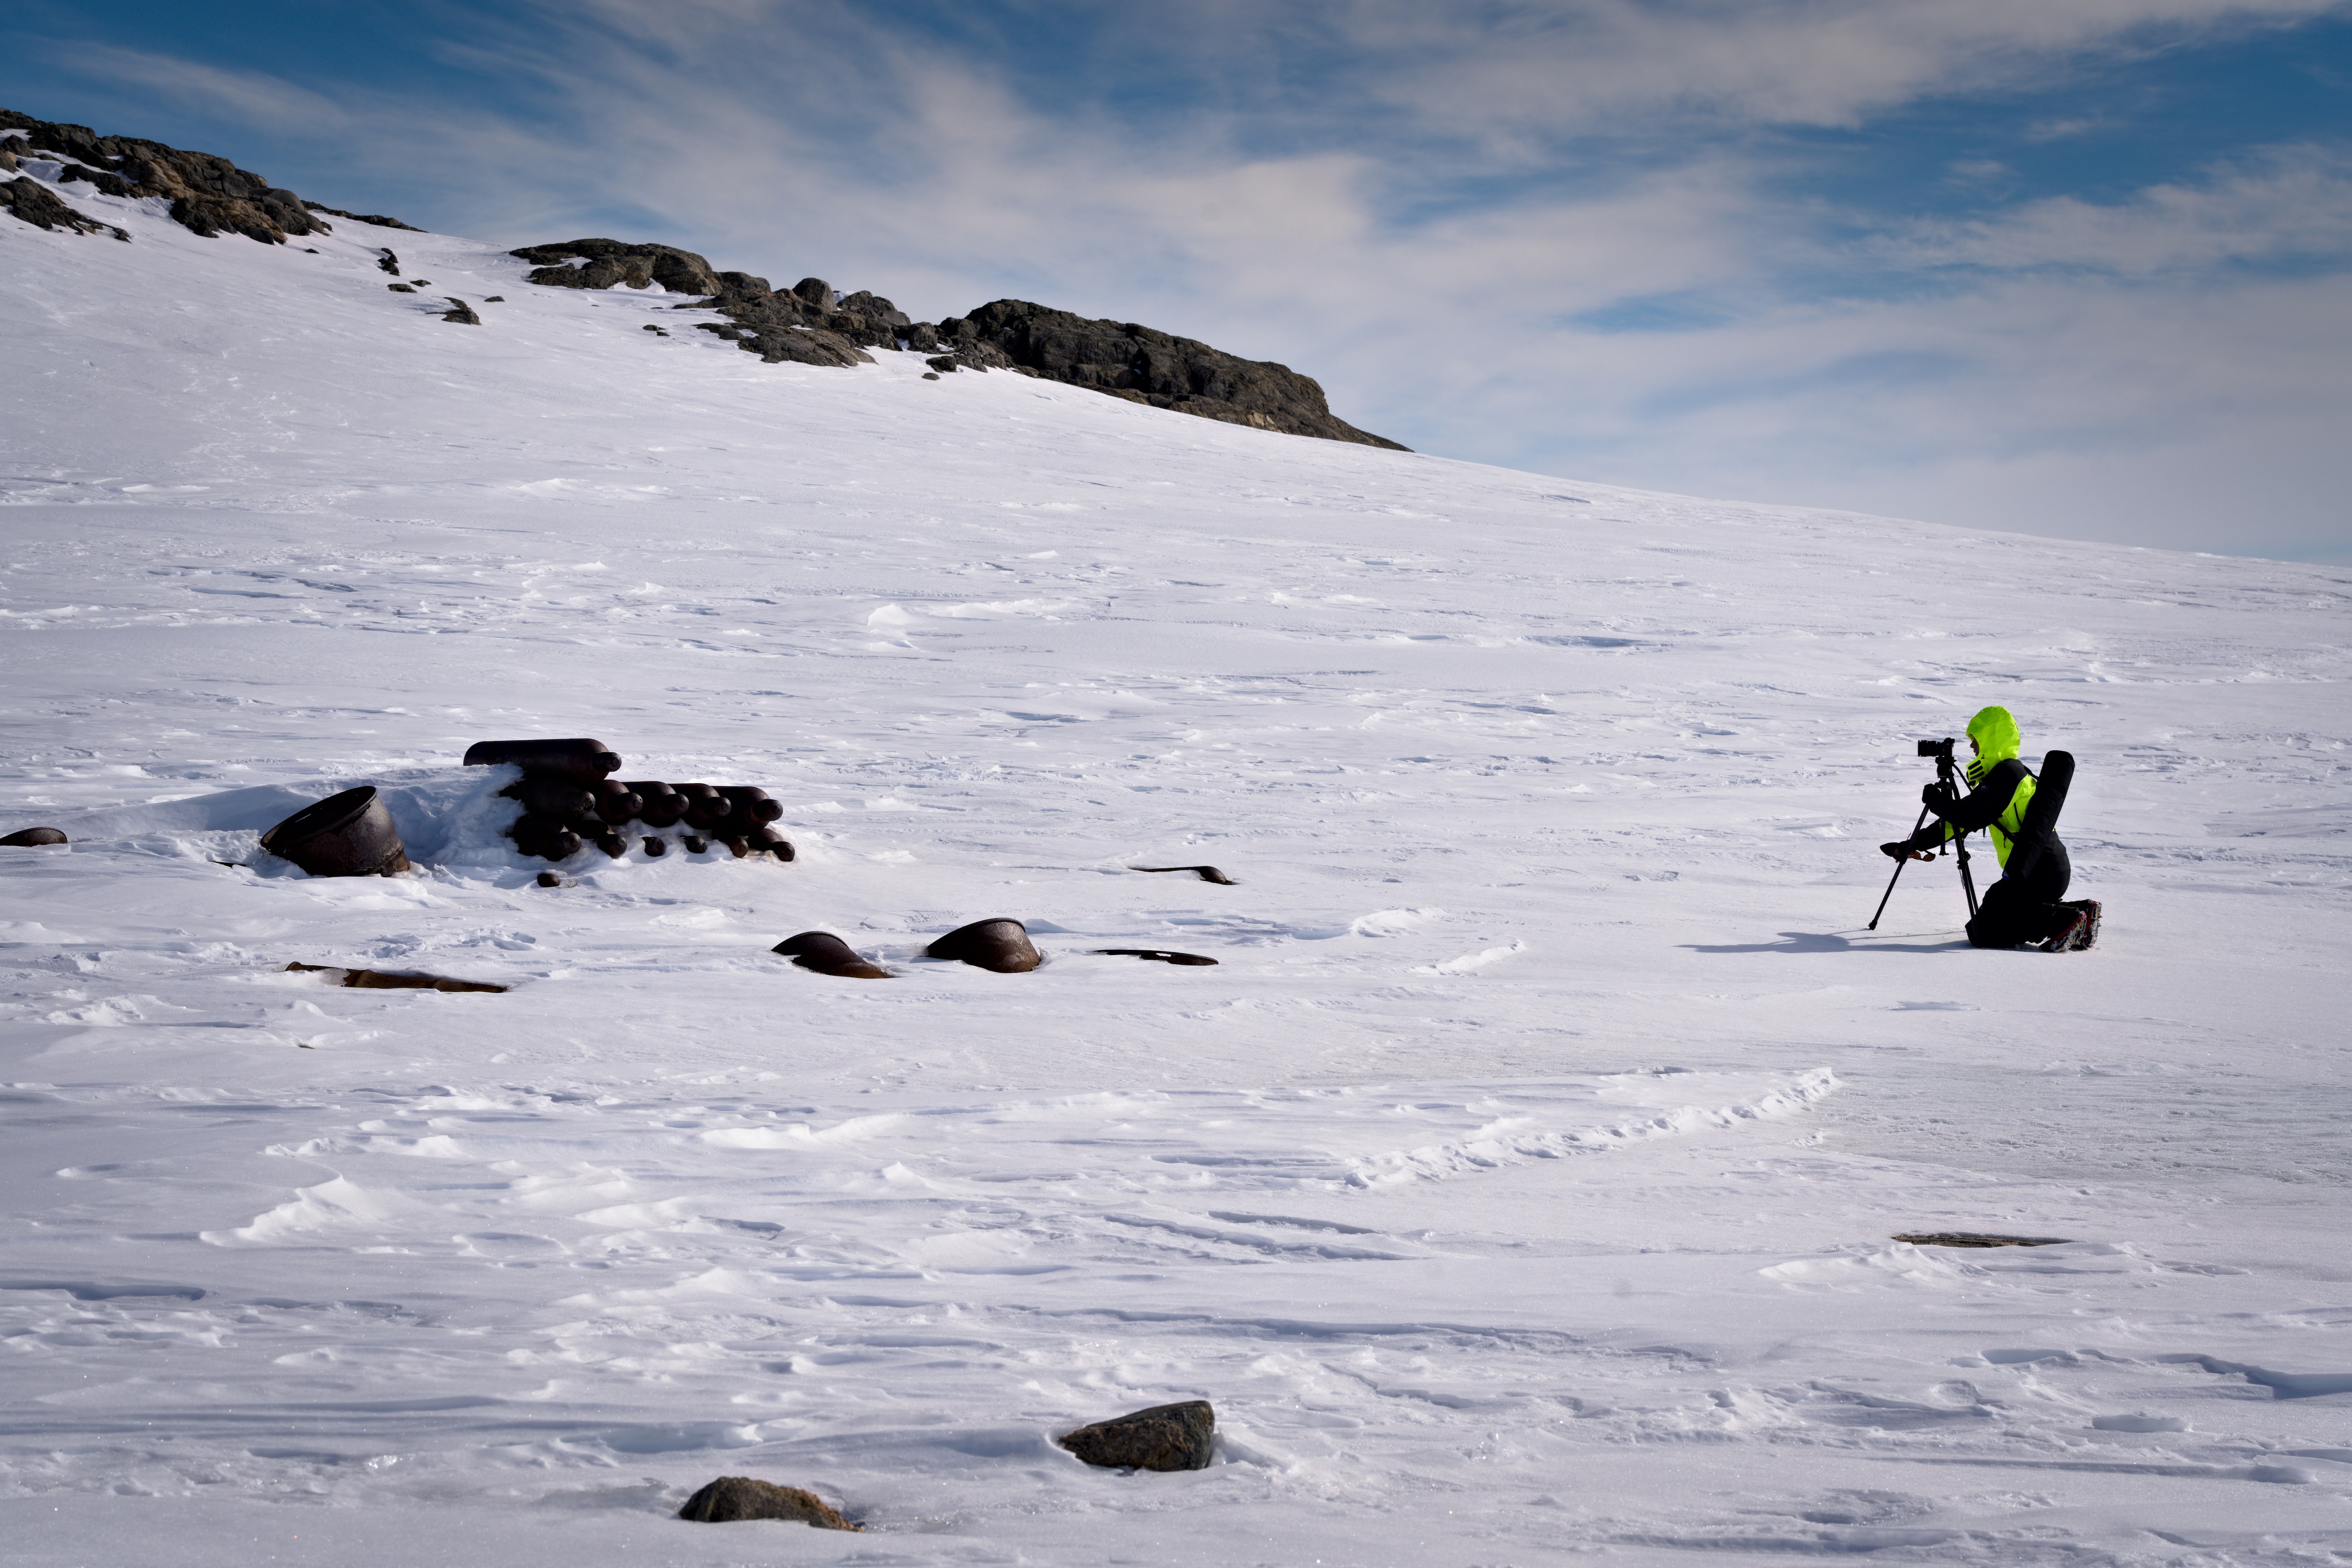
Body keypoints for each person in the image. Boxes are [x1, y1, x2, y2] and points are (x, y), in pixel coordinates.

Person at [1880, 706, 2098, 950]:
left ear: (1992, 737)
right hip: (2040, 869)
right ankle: (2082, 911)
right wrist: (1912, 844)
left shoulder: (2009, 775)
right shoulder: (2004, 776)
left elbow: (1971, 817)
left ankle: (2063, 920)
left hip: (2038, 871)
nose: (1973, 748)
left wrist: (1937, 802)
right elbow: (1956, 823)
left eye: (1976, 741)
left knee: (1983, 931)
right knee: (1993, 907)